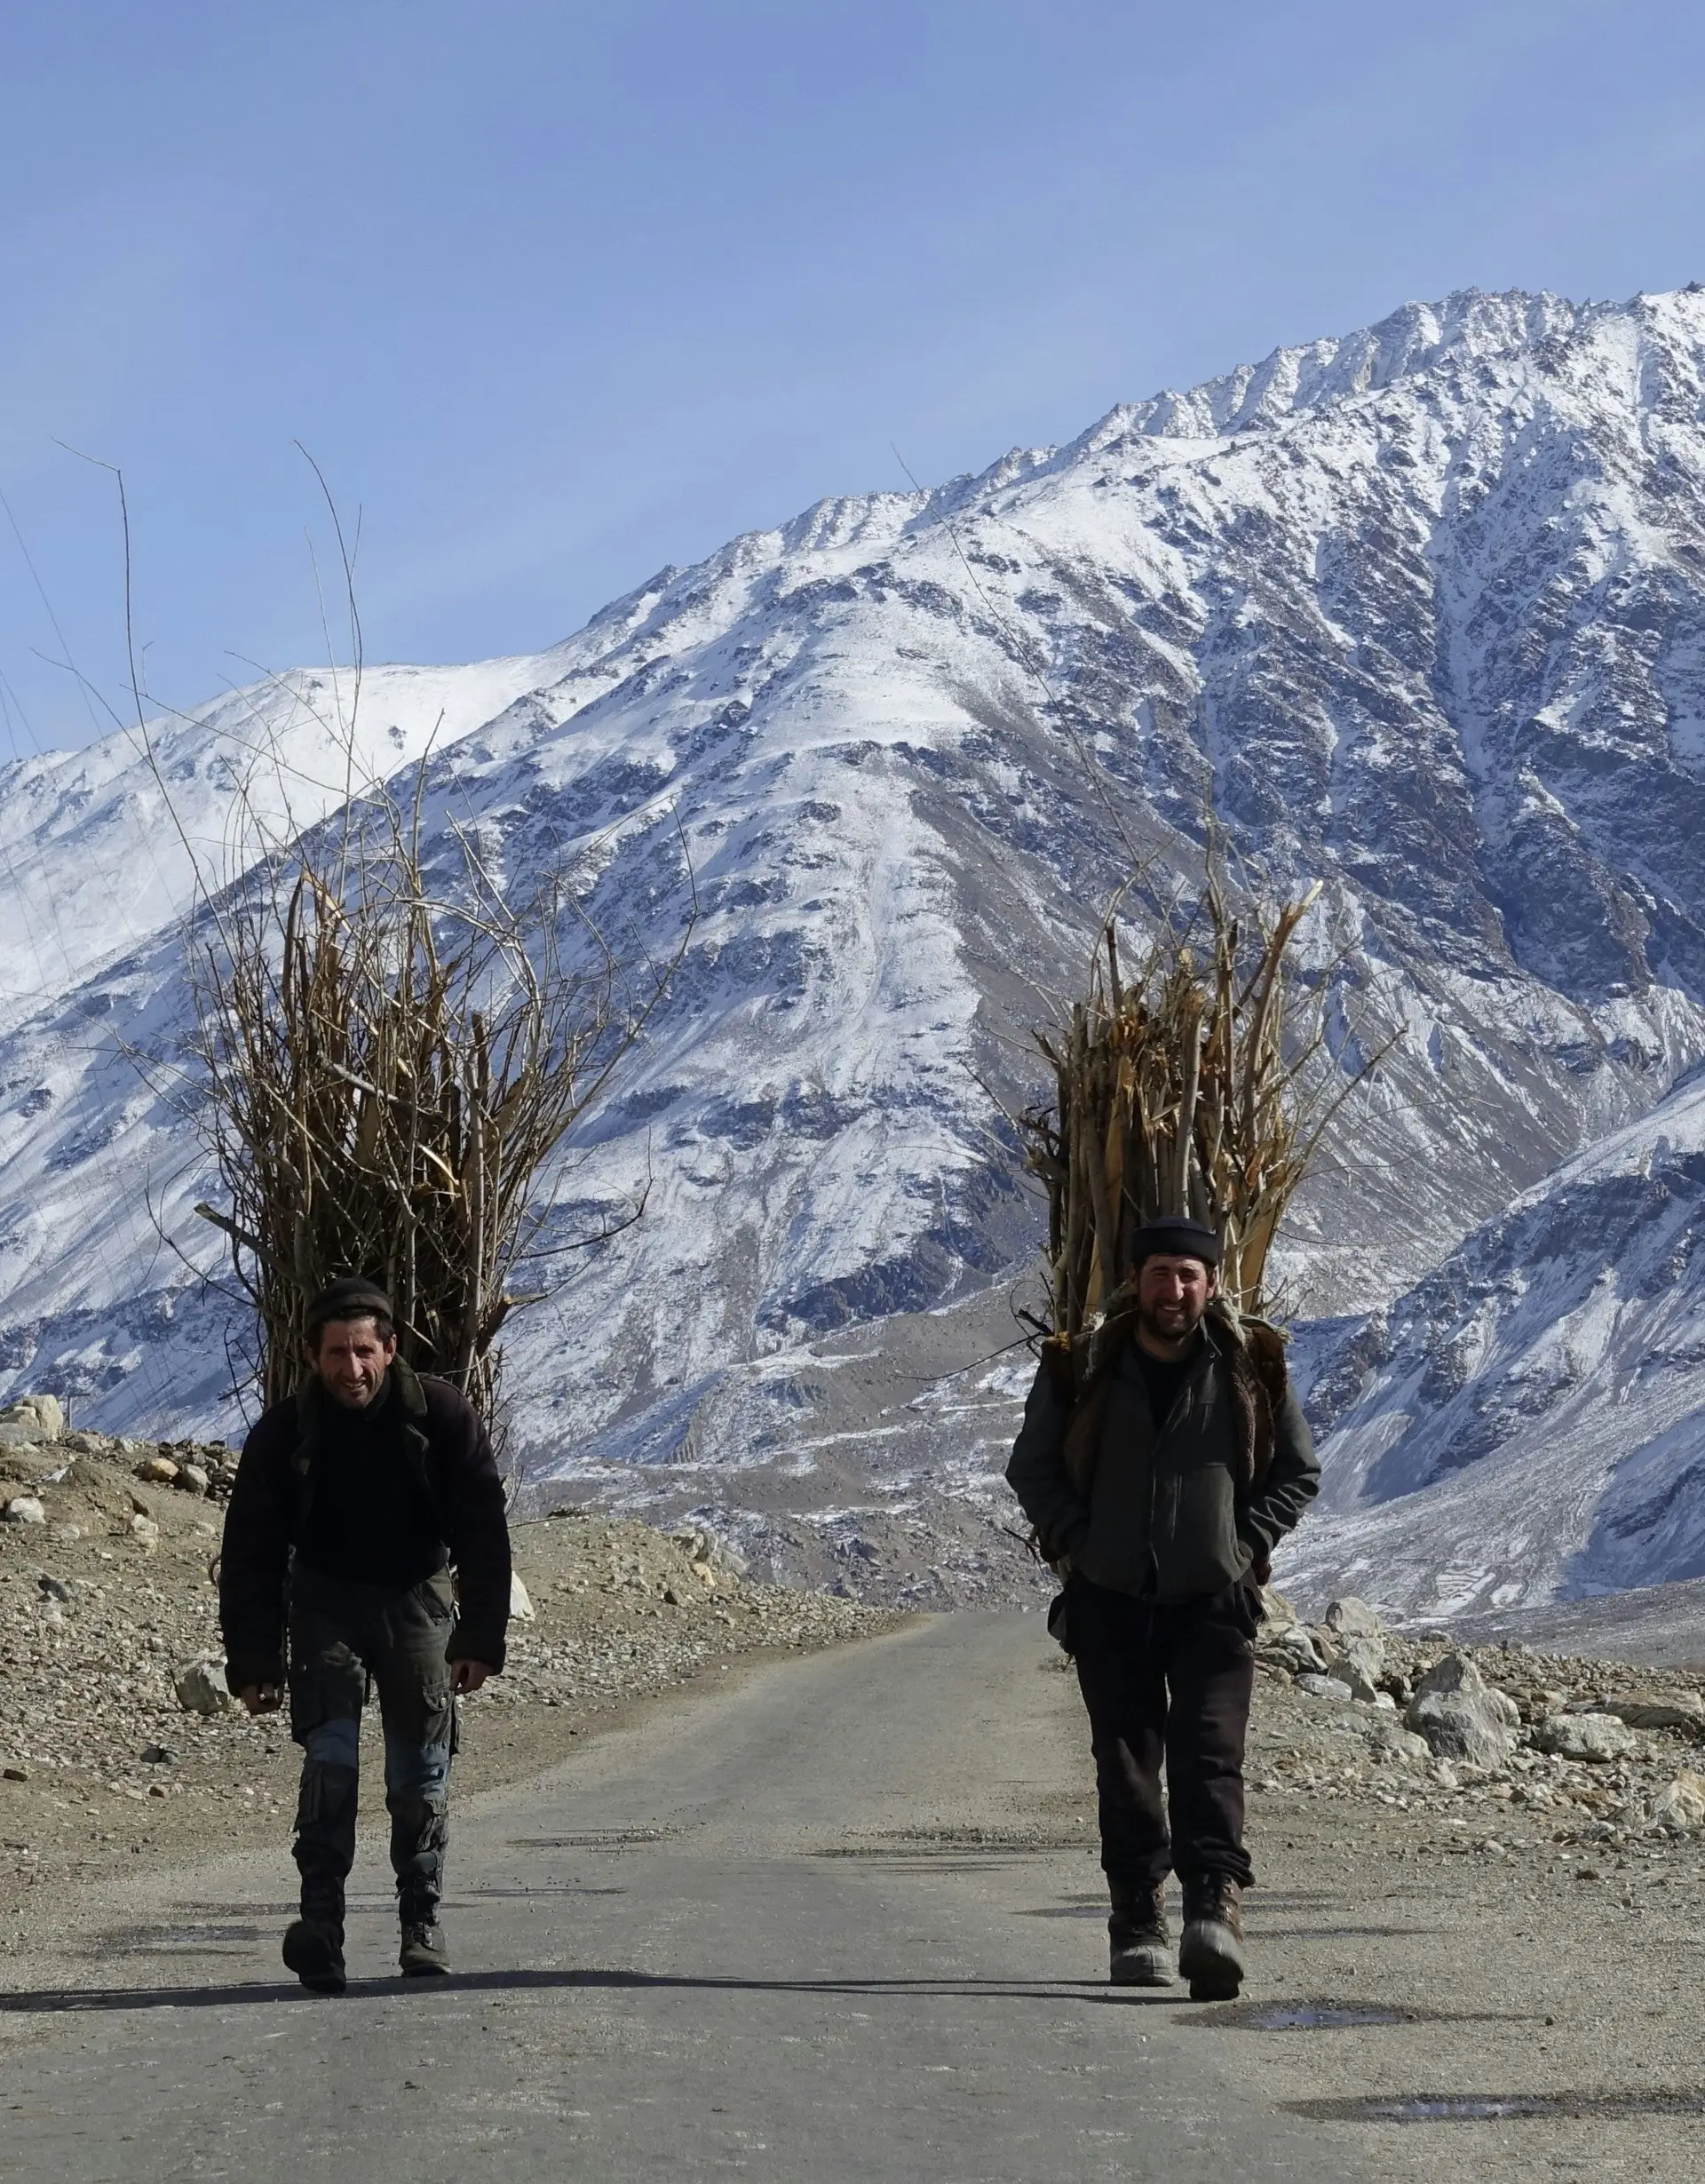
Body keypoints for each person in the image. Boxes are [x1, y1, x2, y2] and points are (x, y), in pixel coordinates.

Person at [1005, 1219, 1319, 1999]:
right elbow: (1031, 1468)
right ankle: (1137, 1917)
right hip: (1109, 1596)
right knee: (1127, 1763)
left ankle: (1214, 1911)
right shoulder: (1083, 1365)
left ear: (1212, 1283)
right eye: (1159, 1274)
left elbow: (1297, 1471)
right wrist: (1078, 1545)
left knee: (1211, 1756)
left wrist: (1242, 1547)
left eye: (1188, 1275)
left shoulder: (1252, 1365)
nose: (1173, 1291)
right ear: (1135, 1279)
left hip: (1214, 1599)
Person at [218, 1278, 512, 1995]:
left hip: (417, 1597)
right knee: (330, 1764)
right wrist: (253, 1657)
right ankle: (322, 1926)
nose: (352, 1368)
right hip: (324, 1603)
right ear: (312, 1357)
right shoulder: (284, 1434)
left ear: (391, 1349)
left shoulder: (439, 1414)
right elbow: (251, 1549)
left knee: (419, 1774)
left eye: (364, 1351)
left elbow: (481, 1526)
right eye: (336, 1353)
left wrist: (479, 1632)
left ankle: (422, 1919)